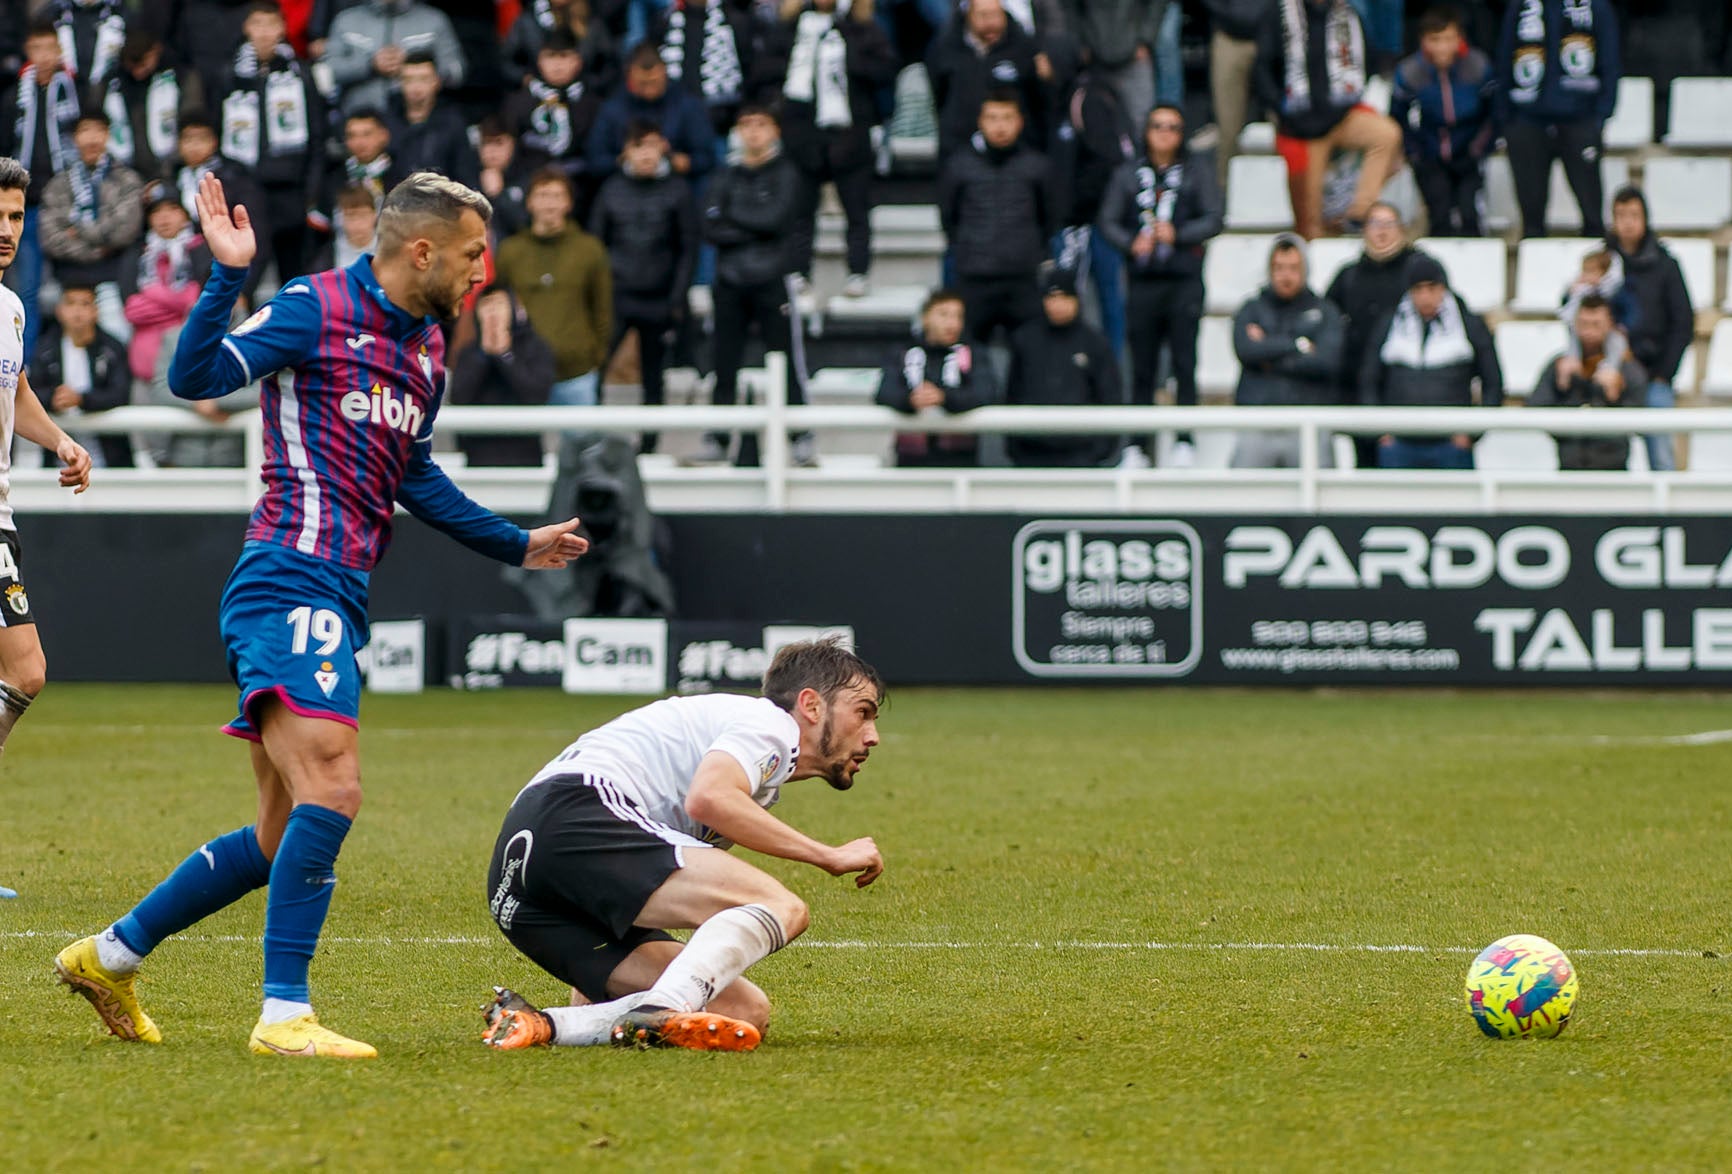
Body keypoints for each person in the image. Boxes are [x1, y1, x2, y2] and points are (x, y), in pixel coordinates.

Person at [54, 171, 590, 1059]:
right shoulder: (315, 306)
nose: (480, 273)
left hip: (340, 588)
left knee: (276, 835)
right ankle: (282, 1015)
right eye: (467, 255)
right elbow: (193, 377)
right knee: (335, 787)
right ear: (421, 249)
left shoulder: (426, 347)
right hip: (288, 575)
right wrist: (227, 275)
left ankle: (110, 954)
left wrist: (514, 542)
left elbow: (413, 475)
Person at [480, 636, 885, 1054]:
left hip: (518, 883)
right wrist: (829, 855)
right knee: (782, 907)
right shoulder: (771, 725)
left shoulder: (746, 764)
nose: (872, 736)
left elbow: (644, 876)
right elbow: (709, 799)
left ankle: (540, 1025)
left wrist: (601, 990)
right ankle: (663, 1007)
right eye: (864, 713)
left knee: (741, 1011)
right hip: (578, 810)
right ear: (812, 705)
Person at [0, 156, 96, 897]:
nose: (5, 231)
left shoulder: (9, 309)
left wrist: (59, 440)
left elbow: (18, 388)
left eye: (14, 218)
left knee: (21, 675)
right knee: (25, 671)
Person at [1097, 103, 1222, 466]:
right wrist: (1130, 241)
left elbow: (1214, 217)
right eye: (1158, 126)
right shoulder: (1128, 173)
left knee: (1185, 363)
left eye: (1173, 127)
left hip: (1183, 279)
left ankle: (1185, 439)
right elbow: (1108, 220)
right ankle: (1138, 444)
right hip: (1143, 280)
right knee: (1142, 367)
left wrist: (1179, 234)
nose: (1165, 133)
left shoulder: (1196, 172)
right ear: (1146, 131)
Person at [765, 0, 898, 298]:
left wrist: (848, 55)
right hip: (802, 133)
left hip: (850, 134)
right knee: (800, 210)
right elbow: (766, 70)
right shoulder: (789, 29)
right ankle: (798, 271)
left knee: (857, 210)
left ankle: (857, 272)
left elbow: (885, 70)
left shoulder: (865, 29)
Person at [701, 105, 809, 466]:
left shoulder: (788, 173)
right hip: (729, 281)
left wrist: (732, 217)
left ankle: (801, 436)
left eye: (761, 124)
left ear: (775, 130)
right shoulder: (725, 174)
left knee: (786, 362)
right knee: (724, 363)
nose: (753, 132)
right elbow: (709, 224)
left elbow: (777, 219)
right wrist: (753, 227)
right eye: (745, 124)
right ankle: (717, 438)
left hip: (772, 279)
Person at [590, 122, 698, 454]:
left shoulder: (678, 190)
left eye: (653, 146)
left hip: (659, 297)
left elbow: (688, 248)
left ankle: (649, 446)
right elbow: (596, 245)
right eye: (640, 147)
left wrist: (678, 297)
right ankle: (593, 440)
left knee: (654, 377)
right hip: (618, 296)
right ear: (628, 151)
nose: (647, 154)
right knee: (596, 368)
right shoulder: (610, 189)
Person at [1254, 0, 1404, 239]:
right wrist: (1284, 112)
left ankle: (1359, 212)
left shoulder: (1349, 14)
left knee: (1387, 134)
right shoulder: (1280, 14)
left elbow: (1369, 61)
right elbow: (1262, 70)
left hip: (1342, 116)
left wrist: (1347, 97)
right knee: (1310, 221)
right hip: (1302, 127)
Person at [937, 89, 1057, 349]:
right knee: (967, 354)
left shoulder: (1036, 166)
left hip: (1022, 277)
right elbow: (949, 216)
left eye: (1007, 118)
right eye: (992, 118)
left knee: (1031, 355)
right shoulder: (959, 165)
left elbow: (1049, 216)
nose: (1000, 126)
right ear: (980, 121)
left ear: (1019, 122)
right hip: (974, 276)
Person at [1357, 253, 1502, 469]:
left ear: (1443, 288)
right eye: (1418, 289)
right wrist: (1381, 432)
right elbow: (1368, 378)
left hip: (1452, 447)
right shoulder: (1391, 323)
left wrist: (1472, 434)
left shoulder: (1468, 323)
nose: (1425, 296)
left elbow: (1494, 382)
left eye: (1432, 288)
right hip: (1398, 445)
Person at [219, 0, 325, 285]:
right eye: (258, 24)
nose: (264, 32)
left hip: (291, 188)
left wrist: (311, 189)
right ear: (246, 28)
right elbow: (220, 134)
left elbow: (317, 133)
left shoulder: (300, 73)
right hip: (248, 187)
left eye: (271, 24)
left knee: (294, 275)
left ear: (282, 28)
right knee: (249, 273)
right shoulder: (231, 74)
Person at [1496, 0, 1618, 239]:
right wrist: (1507, 120)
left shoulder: (1596, 6)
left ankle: (1597, 272)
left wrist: (1599, 116)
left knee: (1592, 215)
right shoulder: (1520, 6)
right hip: (1527, 119)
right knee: (1531, 219)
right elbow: (1503, 57)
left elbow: (1611, 60)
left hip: (1580, 119)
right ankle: (1533, 272)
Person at [494, 168, 613, 409]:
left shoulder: (589, 249)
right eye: (543, 195)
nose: (550, 203)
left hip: (577, 373)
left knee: (581, 445)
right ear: (529, 202)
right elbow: (498, 304)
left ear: (569, 203)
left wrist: (596, 357)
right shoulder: (510, 251)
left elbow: (602, 309)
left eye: (558, 196)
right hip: (524, 373)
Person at [0, 21, 81, 357]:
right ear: (28, 52)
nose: (45, 56)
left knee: (74, 288)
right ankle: (24, 363)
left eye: (51, 48)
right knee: (27, 289)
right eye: (37, 48)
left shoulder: (75, 91)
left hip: (70, 200)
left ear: (60, 50)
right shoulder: (12, 97)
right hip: (26, 202)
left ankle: (71, 364)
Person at [1324, 201, 1425, 466]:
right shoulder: (1348, 276)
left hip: (1405, 385)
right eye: (1375, 224)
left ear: (1401, 229)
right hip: (1357, 386)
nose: (1382, 232)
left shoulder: (1420, 270)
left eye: (1389, 224)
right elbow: (1328, 322)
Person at [1231, 234, 1344, 467]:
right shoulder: (1251, 309)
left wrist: (1268, 354)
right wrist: (1297, 345)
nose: (1285, 275)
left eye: (1293, 268)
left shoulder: (1325, 311)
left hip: (1309, 423)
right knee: (1242, 499)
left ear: (1305, 269)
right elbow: (1246, 351)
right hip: (1258, 421)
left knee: (1318, 499)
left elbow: (1326, 362)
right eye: (1279, 267)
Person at [38, 105, 144, 344]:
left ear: (108, 135)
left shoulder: (126, 179)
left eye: (99, 131)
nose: (92, 138)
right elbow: (50, 237)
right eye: (85, 131)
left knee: (117, 341)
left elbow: (124, 231)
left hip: (111, 278)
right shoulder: (59, 184)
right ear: (75, 138)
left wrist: (79, 231)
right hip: (65, 279)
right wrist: (98, 247)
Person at [1390, 5, 1498, 237]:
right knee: (1439, 215)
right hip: (1430, 151)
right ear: (1423, 41)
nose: (1442, 47)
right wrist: (1415, 151)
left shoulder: (1477, 65)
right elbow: (1397, 115)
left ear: (1459, 38)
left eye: (1449, 39)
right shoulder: (1410, 71)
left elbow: (1494, 112)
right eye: (1435, 39)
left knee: (1470, 214)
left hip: (1470, 149)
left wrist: (1479, 147)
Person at [1606, 186, 1690, 473]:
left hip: (1653, 374)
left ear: (1645, 219)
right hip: (1610, 374)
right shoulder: (1602, 263)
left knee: (1662, 459)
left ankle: (1668, 517)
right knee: (1602, 452)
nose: (1628, 222)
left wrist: (1663, 374)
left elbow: (1683, 322)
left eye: (1634, 215)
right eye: (1621, 215)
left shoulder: (1665, 265)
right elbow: (1577, 308)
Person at [1004, 266, 1120, 468]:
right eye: (1052, 297)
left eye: (1064, 297)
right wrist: (1016, 449)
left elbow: (1110, 395)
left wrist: (1099, 452)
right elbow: (1012, 392)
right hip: (1031, 456)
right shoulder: (1025, 340)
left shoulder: (1094, 342)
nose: (1057, 304)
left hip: (1082, 457)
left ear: (1076, 299)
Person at [875, 287, 995, 467]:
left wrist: (945, 398)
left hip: (961, 461)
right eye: (944, 315)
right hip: (910, 462)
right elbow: (884, 392)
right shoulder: (902, 353)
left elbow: (986, 393)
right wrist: (910, 400)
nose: (952, 323)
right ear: (925, 318)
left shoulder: (974, 354)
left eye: (958, 316)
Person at [447, 283, 557, 468]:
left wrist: (505, 356)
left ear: (514, 309)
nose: (492, 312)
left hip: (524, 453)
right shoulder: (468, 354)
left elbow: (537, 395)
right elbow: (458, 396)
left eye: (499, 304)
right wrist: (483, 356)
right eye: (486, 305)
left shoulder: (535, 347)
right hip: (478, 455)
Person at [1529, 294, 1644, 470]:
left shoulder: (1627, 368)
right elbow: (1535, 408)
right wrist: (1563, 389)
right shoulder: (1560, 365)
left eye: (1596, 324)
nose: (1589, 331)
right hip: (1569, 468)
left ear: (1610, 325)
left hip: (1613, 473)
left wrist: (1613, 398)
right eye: (1583, 324)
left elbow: (1641, 420)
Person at [926, 0, 1047, 158]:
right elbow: (938, 92)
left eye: (996, 15)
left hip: (1016, 154)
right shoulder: (946, 45)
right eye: (983, 15)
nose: (991, 23)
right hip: (959, 147)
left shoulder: (1023, 46)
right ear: (968, 15)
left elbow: (1037, 99)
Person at [32, 282, 134, 468]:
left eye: (85, 304)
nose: (77, 311)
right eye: (71, 304)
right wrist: (53, 399)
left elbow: (121, 394)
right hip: (58, 459)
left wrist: (81, 399)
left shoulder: (113, 349)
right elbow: (31, 392)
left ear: (96, 310)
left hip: (109, 457)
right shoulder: (44, 349)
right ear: (59, 310)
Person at [587, 43, 717, 186]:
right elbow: (595, 161)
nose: (649, 90)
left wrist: (677, 160)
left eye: (655, 83)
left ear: (664, 73)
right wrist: (625, 159)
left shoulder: (687, 104)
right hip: (623, 187)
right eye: (643, 84)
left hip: (675, 186)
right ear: (630, 76)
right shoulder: (612, 109)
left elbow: (707, 157)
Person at [121, 184, 211, 385]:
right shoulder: (136, 254)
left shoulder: (203, 249)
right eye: (156, 211)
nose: (164, 218)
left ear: (185, 213)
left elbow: (198, 303)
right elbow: (132, 309)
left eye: (172, 209)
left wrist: (151, 292)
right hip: (146, 365)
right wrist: (178, 304)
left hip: (190, 360)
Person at [323, 0, 465, 115]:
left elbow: (456, 72)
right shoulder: (347, 20)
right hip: (360, 123)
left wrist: (413, 66)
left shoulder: (434, 20)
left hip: (418, 126)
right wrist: (370, 64)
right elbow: (327, 73)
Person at [503, 29, 602, 186]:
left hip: (580, 183)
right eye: (550, 56)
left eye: (564, 56)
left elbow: (596, 154)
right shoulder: (519, 102)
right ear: (539, 61)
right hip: (529, 181)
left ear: (577, 61)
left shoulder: (592, 104)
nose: (557, 64)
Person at [103, 30, 205, 182]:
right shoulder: (113, 83)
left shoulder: (181, 78)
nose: (137, 71)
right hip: (126, 173)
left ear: (155, 51)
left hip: (175, 171)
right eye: (131, 64)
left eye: (142, 63)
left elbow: (191, 126)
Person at [1203, 0, 1273, 189]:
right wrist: (1228, 13)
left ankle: (1292, 197)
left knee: (1284, 126)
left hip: (1276, 35)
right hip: (1229, 36)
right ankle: (1223, 198)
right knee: (1228, 128)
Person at [1066, 0, 1168, 130]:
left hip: (1134, 54)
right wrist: (1080, 44)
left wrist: (1146, 40)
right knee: (1096, 122)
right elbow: (1069, 8)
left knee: (1141, 121)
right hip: (1094, 55)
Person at [387, 53, 481, 189]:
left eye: (423, 79)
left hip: (442, 202)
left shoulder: (452, 123)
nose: (416, 87)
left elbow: (465, 173)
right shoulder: (388, 121)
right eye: (409, 80)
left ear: (436, 82)